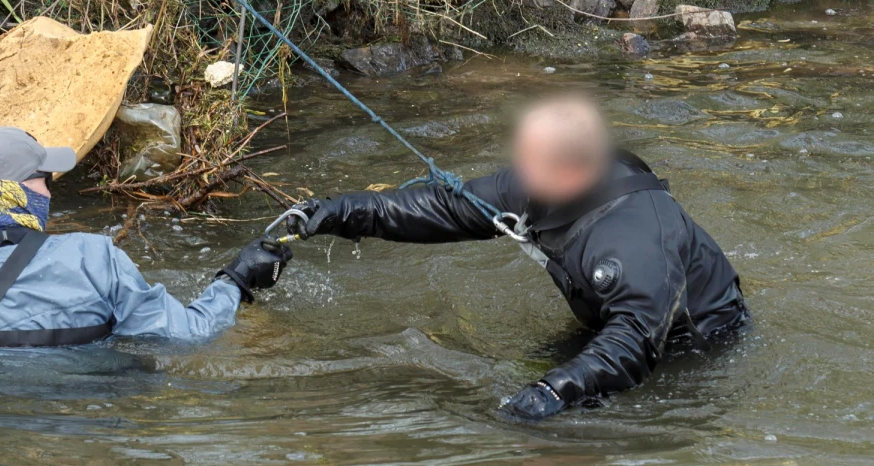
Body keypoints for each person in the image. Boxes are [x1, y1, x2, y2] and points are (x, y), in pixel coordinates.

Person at [286, 94, 748, 421]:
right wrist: (341, 211)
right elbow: (447, 208)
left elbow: (633, 343)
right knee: (524, 376)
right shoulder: (536, 182)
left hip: (693, 346)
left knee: (585, 423)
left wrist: (556, 389)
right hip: (616, 319)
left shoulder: (633, 237)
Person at [0, 126, 292, 348]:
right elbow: (190, 335)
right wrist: (236, 279)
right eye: (42, 180)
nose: (50, 190)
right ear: (14, 192)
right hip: (88, 425)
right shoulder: (95, 260)